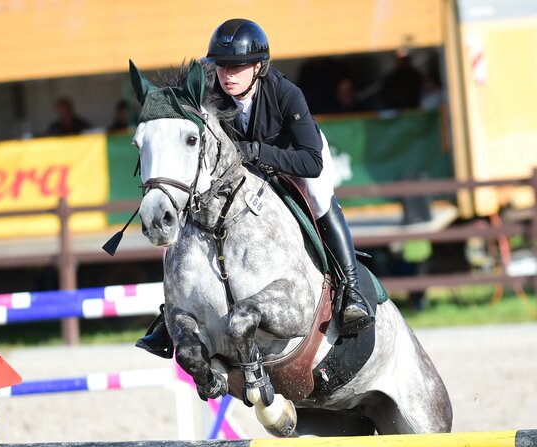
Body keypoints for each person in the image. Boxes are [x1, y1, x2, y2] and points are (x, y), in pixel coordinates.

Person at [136, 18, 374, 358]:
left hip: (294, 159)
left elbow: (311, 161)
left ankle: (351, 290)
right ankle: (172, 314)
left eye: (237, 67)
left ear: (258, 67)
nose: (228, 75)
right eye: (222, 66)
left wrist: (260, 153)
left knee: (319, 198)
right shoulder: (210, 84)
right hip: (239, 172)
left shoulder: (286, 94)